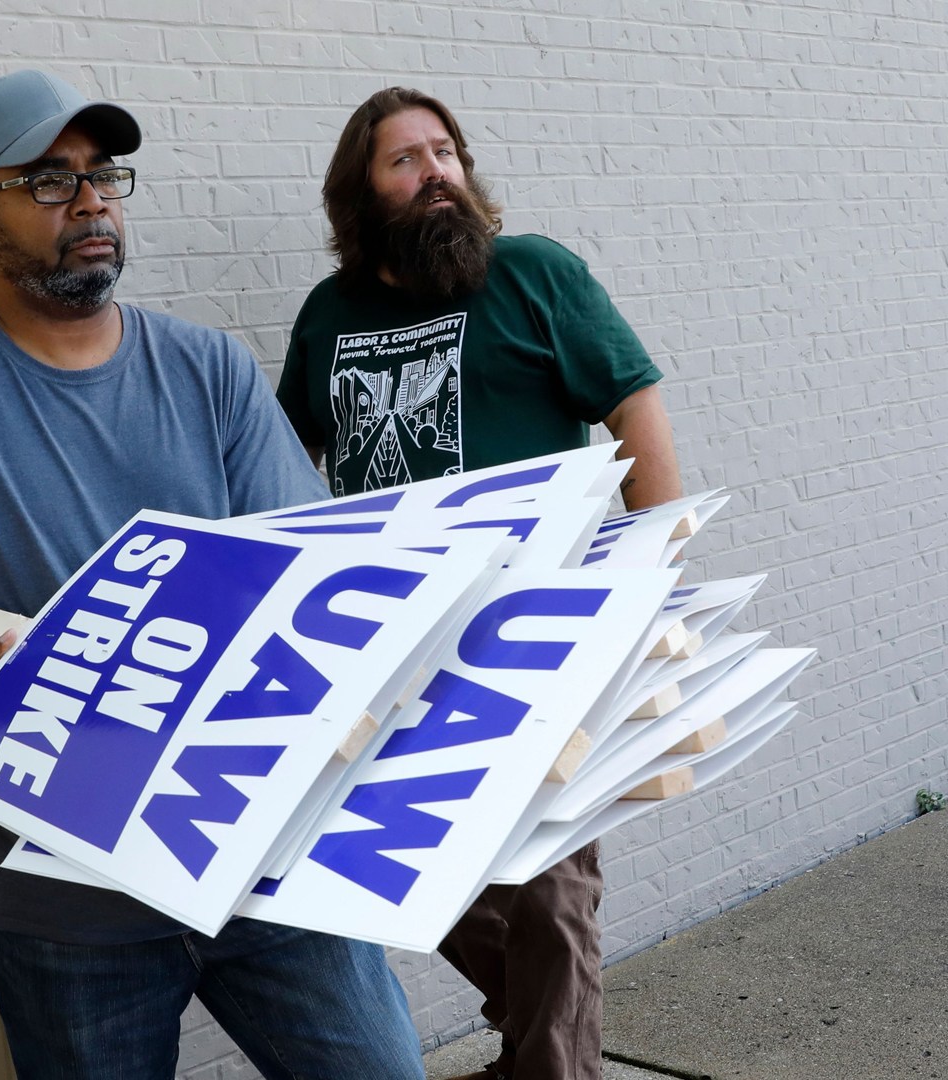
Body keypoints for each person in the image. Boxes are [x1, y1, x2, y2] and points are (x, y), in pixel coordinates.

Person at [0, 70, 427, 1080]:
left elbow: (306, 569)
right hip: (58, 897)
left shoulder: (206, 369)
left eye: (101, 175)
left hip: (251, 844)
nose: (90, 200)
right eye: (48, 180)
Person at [275, 87, 684, 1080]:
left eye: (446, 152)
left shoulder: (534, 275)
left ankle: (553, 1062)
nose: (436, 174)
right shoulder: (330, 317)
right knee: (404, 867)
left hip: (537, 633)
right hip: (391, 651)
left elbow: (637, 415)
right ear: (359, 194)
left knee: (550, 886)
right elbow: (287, 464)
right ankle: (547, 1035)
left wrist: (651, 581)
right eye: (405, 161)